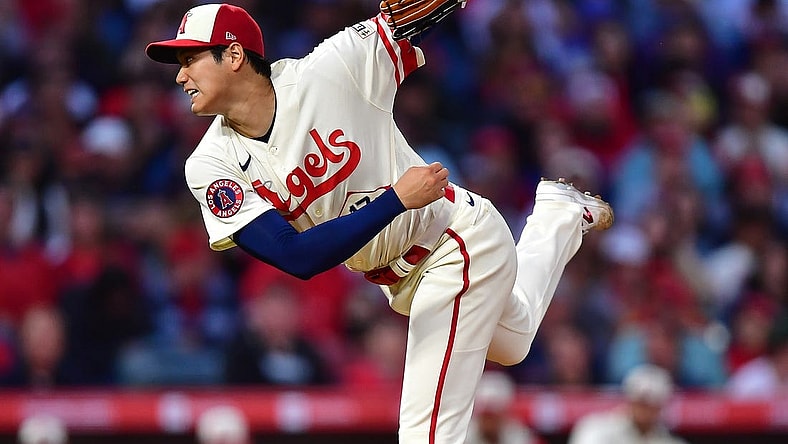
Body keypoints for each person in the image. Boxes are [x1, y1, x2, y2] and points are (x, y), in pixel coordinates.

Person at [145, 3, 613, 442]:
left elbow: (405, 17)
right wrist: (394, 200)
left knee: (424, 430)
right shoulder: (209, 165)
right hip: (396, 275)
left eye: (189, 59)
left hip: (454, 240)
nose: (181, 75)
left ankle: (558, 213)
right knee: (513, 342)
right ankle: (560, 213)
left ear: (233, 55)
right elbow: (296, 257)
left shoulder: (330, 69)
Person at [568, 364, 688, 444]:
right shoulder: (594, 428)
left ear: (661, 406)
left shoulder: (669, 442)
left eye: (650, 403)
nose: (644, 409)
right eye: (640, 401)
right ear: (629, 399)